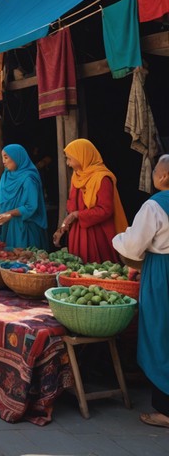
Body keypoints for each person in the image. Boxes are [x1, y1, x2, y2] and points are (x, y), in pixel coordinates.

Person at [112, 154, 169, 429]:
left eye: (155, 170)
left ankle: (165, 410)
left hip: (162, 272)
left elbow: (134, 246)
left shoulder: (154, 206)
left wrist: (118, 238)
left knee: (160, 333)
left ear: (164, 176)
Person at [52, 139, 128, 262]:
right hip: (78, 232)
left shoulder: (102, 178)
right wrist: (63, 227)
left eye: (70, 159)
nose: (68, 163)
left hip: (97, 234)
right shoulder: (77, 176)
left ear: (82, 157)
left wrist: (77, 214)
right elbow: (72, 205)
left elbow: (105, 210)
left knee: (97, 271)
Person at [0, 145, 47, 249]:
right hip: (9, 226)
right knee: (10, 258)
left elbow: (31, 206)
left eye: (6, 157)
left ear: (17, 157)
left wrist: (10, 213)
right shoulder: (6, 175)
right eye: (2, 157)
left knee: (25, 260)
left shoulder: (29, 179)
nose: (3, 161)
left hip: (24, 228)